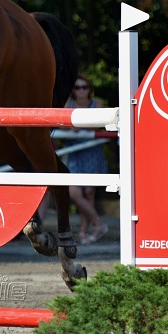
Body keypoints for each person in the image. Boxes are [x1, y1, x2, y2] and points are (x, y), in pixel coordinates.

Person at [64, 75, 109, 245]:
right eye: (77, 87)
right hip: (74, 153)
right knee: (74, 193)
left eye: (84, 87)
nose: (81, 90)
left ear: (90, 89)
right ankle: (99, 225)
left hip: (92, 153)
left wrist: (77, 125)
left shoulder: (97, 104)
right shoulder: (69, 104)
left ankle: (83, 232)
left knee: (89, 193)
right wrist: (77, 126)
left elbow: (99, 124)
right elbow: (63, 124)